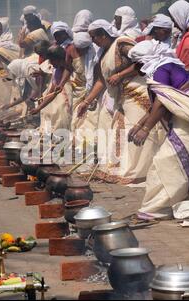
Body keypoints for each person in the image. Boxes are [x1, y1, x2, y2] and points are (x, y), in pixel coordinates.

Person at [128, 39, 189, 220]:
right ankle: (183, 197)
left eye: (139, 63)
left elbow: (162, 102)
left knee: (168, 160)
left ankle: (158, 207)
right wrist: (139, 124)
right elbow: (162, 101)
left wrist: (146, 129)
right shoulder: (168, 65)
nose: (138, 68)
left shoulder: (160, 70)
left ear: (147, 59)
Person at [76, 20, 158, 184]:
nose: (93, 41)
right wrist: (87, 101)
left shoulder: (122, 44)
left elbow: (142, 63)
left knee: (134, 130)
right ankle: (119, 167)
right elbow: (102, 80)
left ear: (104, 35)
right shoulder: (104, 52)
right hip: (121, 96)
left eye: (94, 37)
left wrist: (121, 75)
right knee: (118, 131)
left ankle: (139, 171)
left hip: (137, 92)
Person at [30, 46, 72, 133]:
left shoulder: (71, 66)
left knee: (60, 113)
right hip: (61, 95)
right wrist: (39, 108)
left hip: (72, 97)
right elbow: (52, 91)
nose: (51, 64)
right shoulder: (56, 71)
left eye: (52, 61)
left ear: (60, 59)